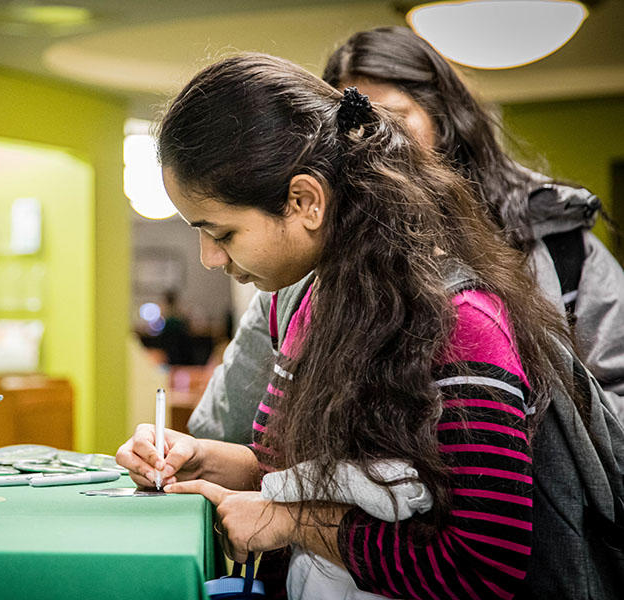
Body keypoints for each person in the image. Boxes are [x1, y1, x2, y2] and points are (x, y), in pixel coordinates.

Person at [117, 53, 591, 598]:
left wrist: (296, 523)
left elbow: (483, 564)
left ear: (305, 201)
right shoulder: (312, 301)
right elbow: (317, 476)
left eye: (221, 233)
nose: (208, 258)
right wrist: (222, 464)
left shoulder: (462, 326)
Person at [188, 26, 624, 443]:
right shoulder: (303, 264)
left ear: (445, 119)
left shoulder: (561, 248)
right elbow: (223, 425)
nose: (367, 138)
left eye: (391, 117)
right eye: (350, 122)